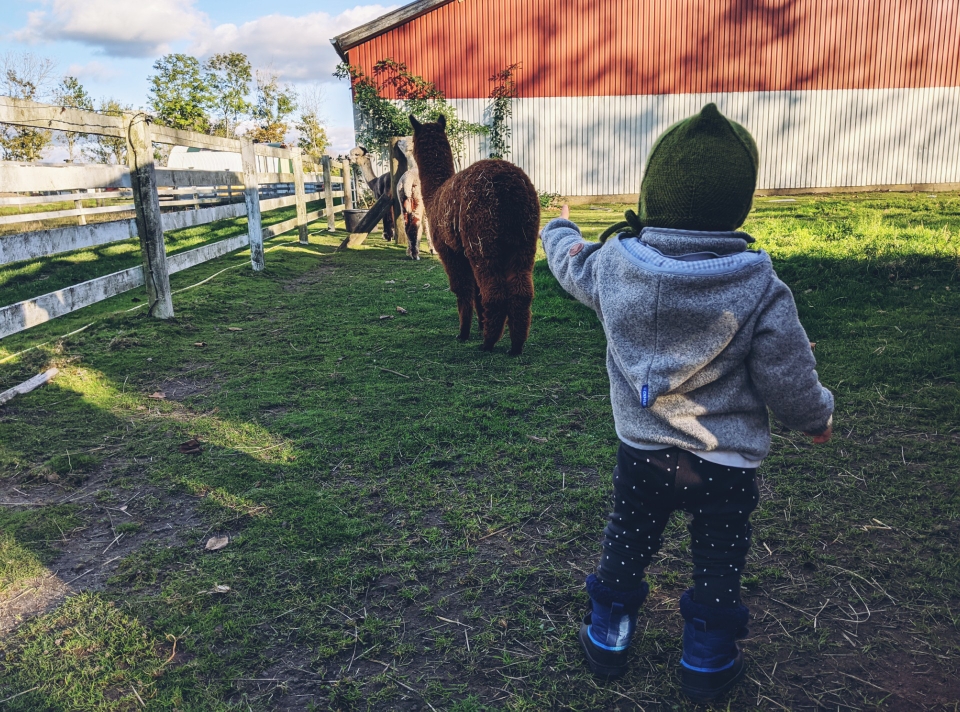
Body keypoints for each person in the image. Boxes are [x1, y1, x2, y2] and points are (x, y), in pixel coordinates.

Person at [539, 103, 834, 702]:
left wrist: (558, 228)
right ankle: (706, 658)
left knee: (627, 541)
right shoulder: (760, 286)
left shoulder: (613, 266)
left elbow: (570, 266)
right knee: (719, 563)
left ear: (651, 194)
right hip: (726, 465)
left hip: (643, 453)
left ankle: (608, 636)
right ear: (737, 204)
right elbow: (788, 375)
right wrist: (815, 417)